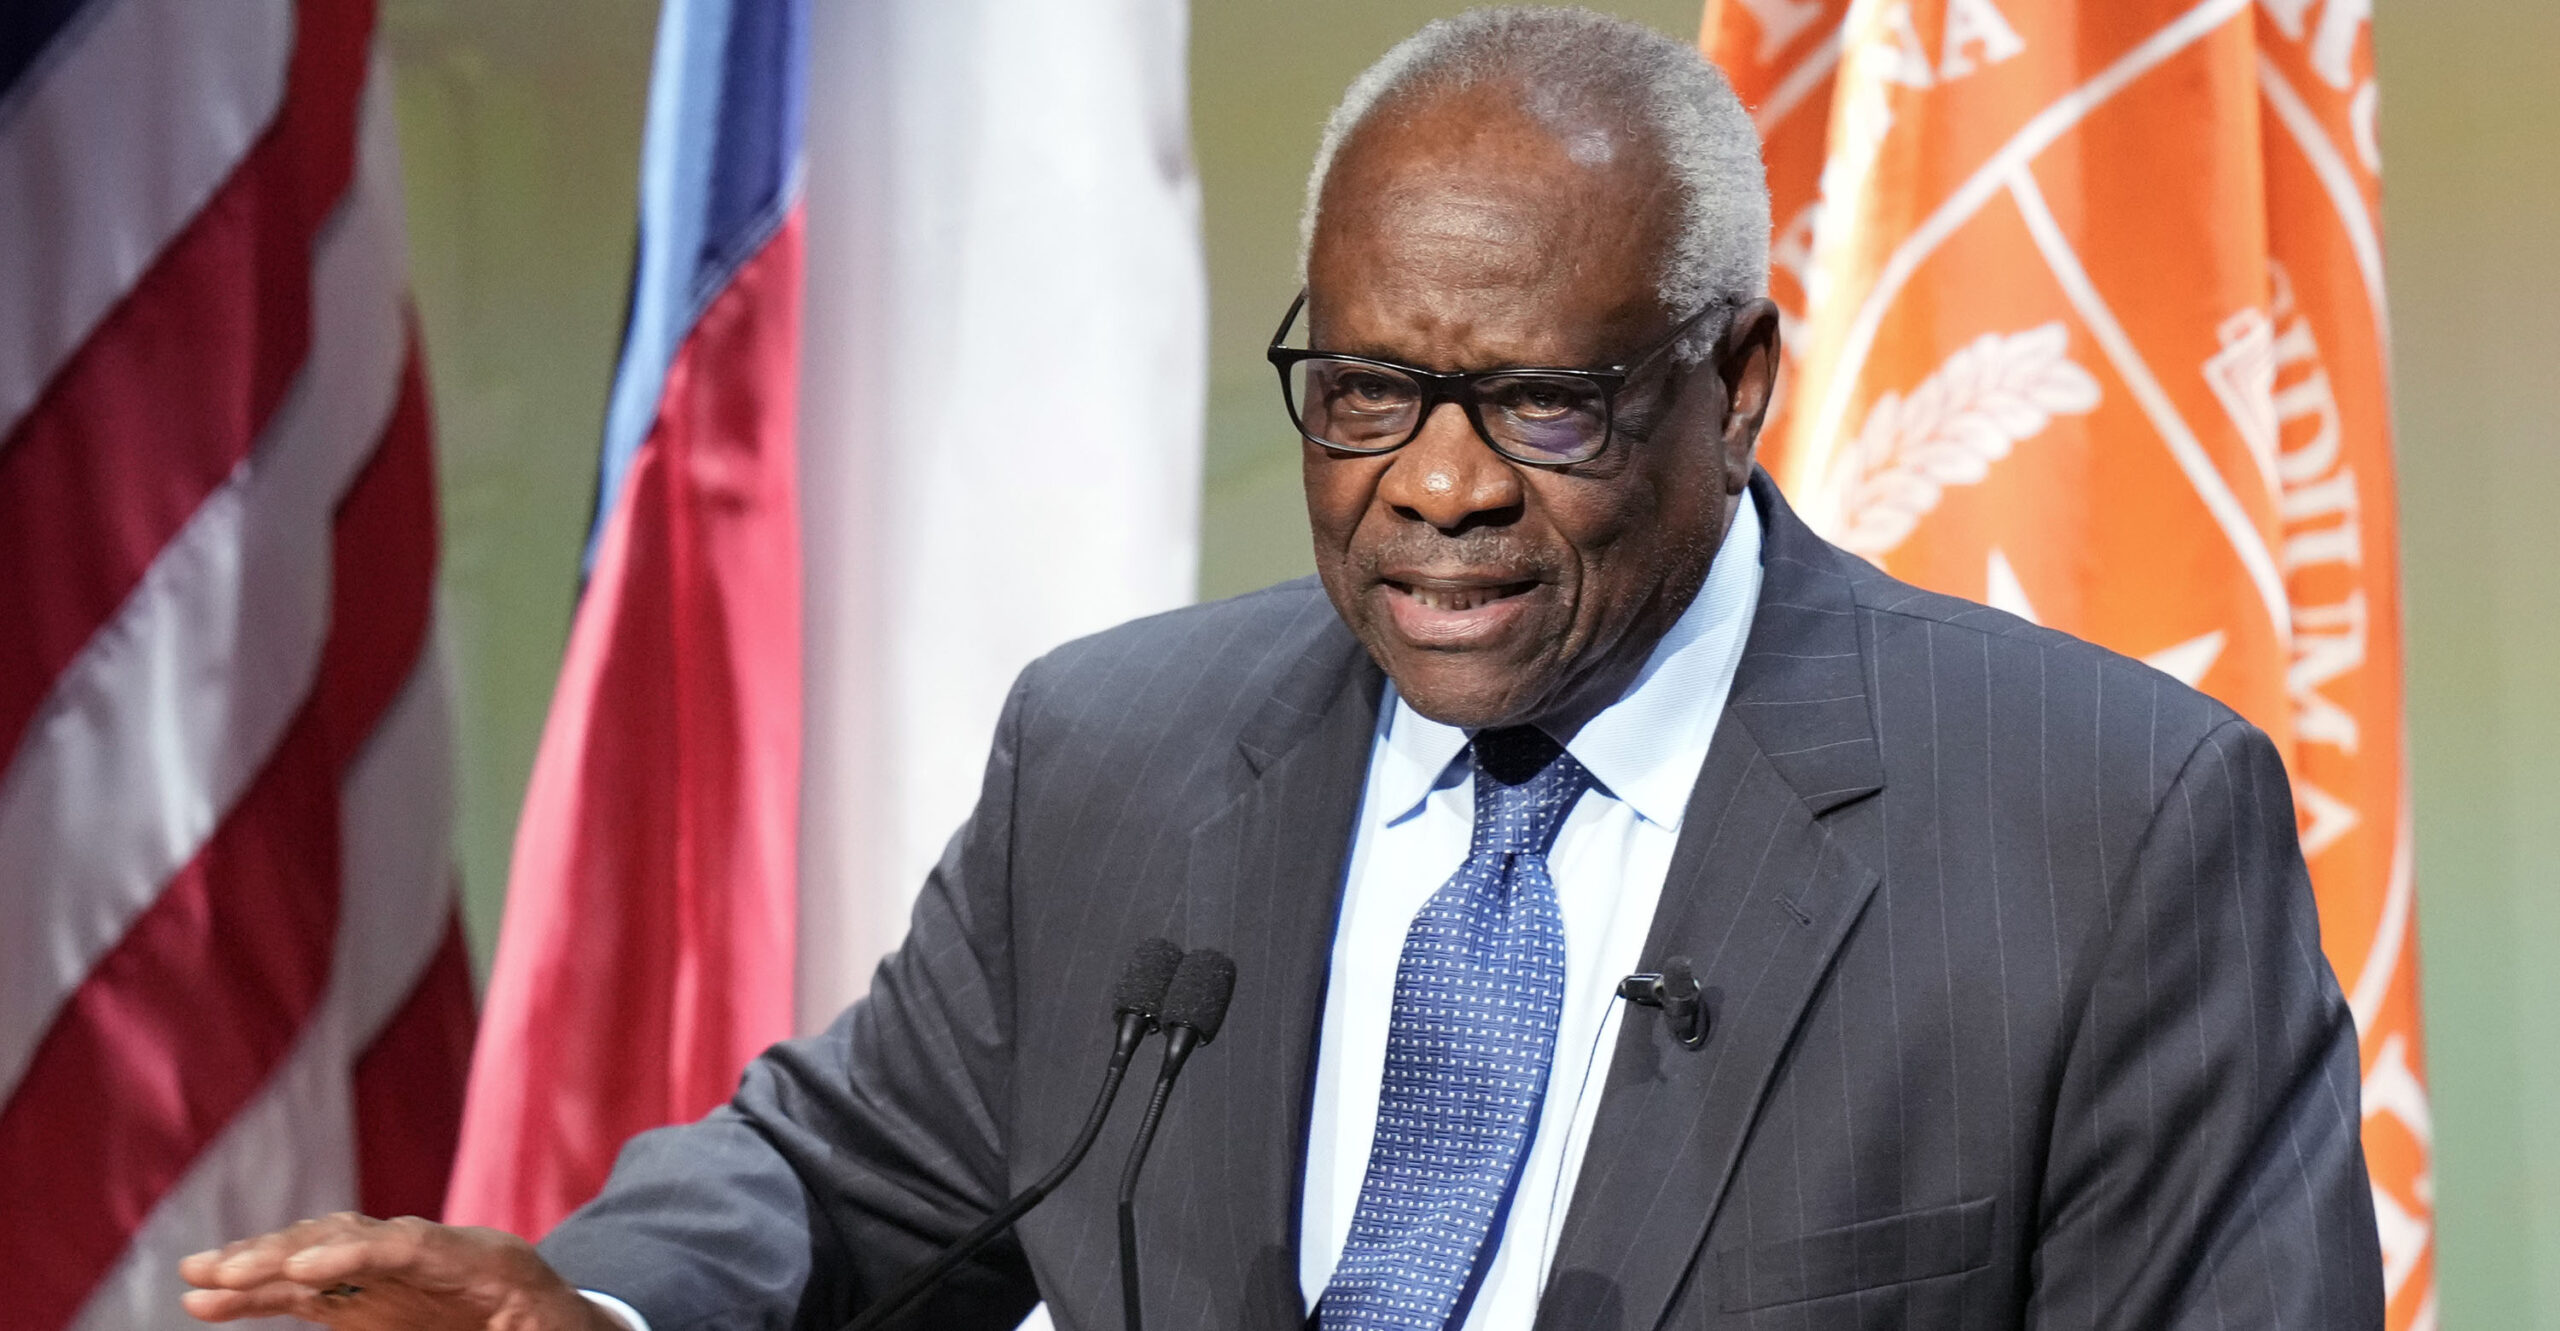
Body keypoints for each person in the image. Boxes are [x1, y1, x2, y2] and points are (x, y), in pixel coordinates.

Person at [180, 8, 2383, 1329]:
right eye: (1363, 393)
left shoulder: (2095, 831)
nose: (1436, 487)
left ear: (1733, 386)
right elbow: (850, 1179)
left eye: (1540, 406)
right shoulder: (1125, 751)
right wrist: (597, 1300)